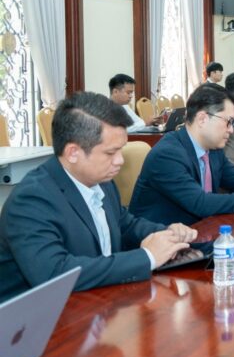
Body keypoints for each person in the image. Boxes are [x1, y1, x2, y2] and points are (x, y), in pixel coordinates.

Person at [0, 92, 197, 301]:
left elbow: (126, 225)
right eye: (111, 153)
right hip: (41, 314)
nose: (120, 161)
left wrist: (167, 234)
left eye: (121, 150)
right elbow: (56, 274)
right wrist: (147, 257)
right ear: (73, 152)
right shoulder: (31, 200)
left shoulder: (102, 181)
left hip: (97, 301)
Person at [129, 85, 234, 225]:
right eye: (229, 122)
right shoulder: (167, 154)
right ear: (202, 119)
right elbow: (201, 203)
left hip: (200, 233)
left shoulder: (213, 149)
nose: (231, 130)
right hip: (160, 243)